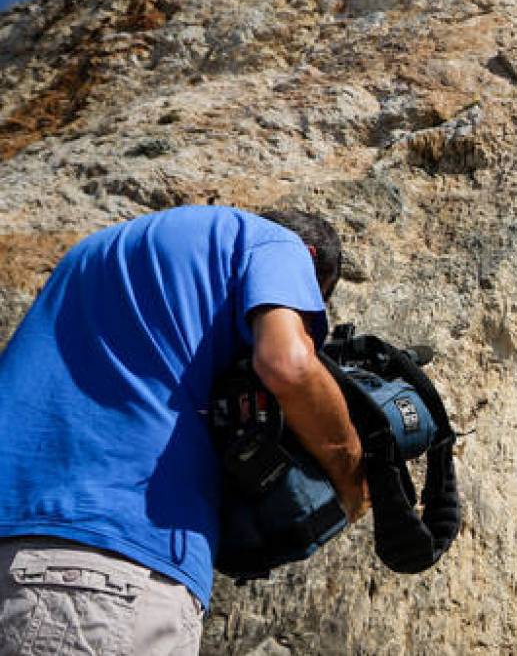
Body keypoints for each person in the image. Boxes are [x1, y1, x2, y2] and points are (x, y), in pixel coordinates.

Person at [0, 205, 369, 654]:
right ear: (309, 257)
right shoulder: (278, 244)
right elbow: (288, 364)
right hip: (106, 570)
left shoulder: (96, 254)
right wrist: (350, 475)